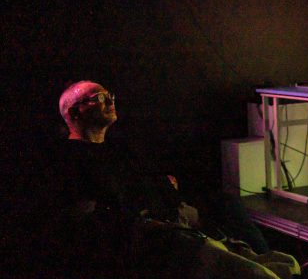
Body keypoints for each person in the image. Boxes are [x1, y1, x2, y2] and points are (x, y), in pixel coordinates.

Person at [52, 80, 267, 253]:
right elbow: (106, 201)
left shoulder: (118, 147)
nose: (109, 102)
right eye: (98, 98)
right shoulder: (72, 157)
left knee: (227, 203)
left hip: (173, 210)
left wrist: (164, 185)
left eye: (110, 96)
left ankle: (261, 258)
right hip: (155, 225)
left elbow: (151, 176)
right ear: (74, 113)